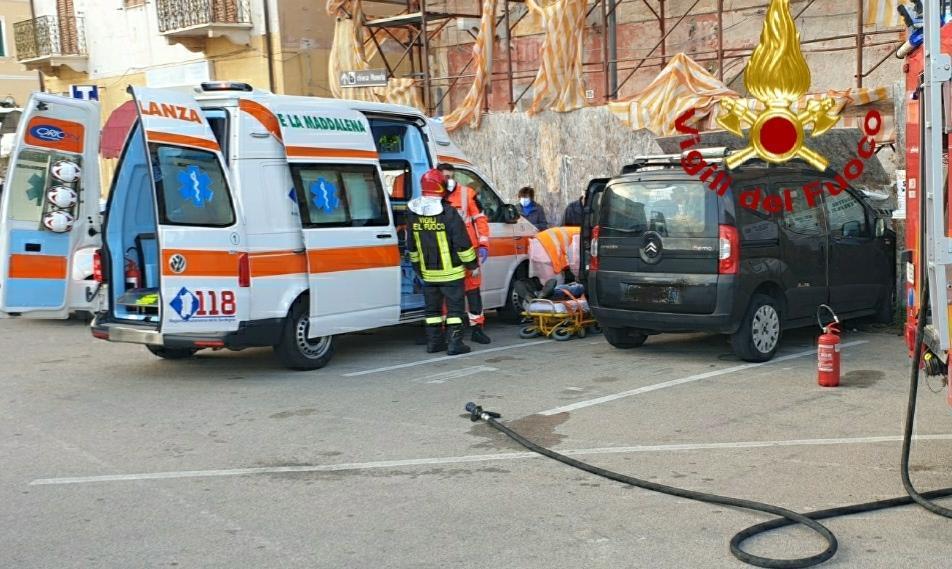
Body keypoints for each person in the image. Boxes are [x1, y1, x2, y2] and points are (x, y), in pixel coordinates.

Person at [406, 169, 479, 355]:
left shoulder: (414, 212)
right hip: (451, 273)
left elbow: (411, 244)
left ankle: (434, 343)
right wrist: (472, 265)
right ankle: (455, 344)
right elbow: (462, 243)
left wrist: (417, 268)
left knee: (432, 312)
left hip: (428, 273)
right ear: (442, 187)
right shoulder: (448, 213)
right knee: (455, 310)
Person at [438, 163, 492, 344]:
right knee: (448, 293)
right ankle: (448, 331)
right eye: (446, 177)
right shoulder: (434, 197)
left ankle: (477, 328)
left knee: (473, 291)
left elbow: (480, 219)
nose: (450, 180)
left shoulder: (467, 194)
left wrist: (484, 243)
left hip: (469, 250)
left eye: (451, 176)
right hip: (446, 252)